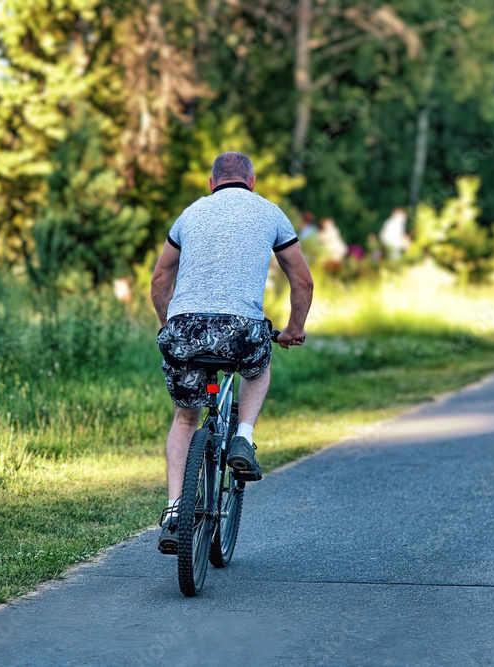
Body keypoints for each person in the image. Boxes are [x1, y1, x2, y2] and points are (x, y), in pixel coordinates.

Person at [150, 151, 314, 554]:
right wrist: (293, 329)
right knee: (257, 369)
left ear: (212, 184)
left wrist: (166, 324)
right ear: (252, 182)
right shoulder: (271, 213)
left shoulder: (189, 214)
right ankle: (243, 436)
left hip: (184, 328)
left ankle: (174, 513)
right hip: (241, 330)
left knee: (185, 420)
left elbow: (160, 278)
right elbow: (303, 281)